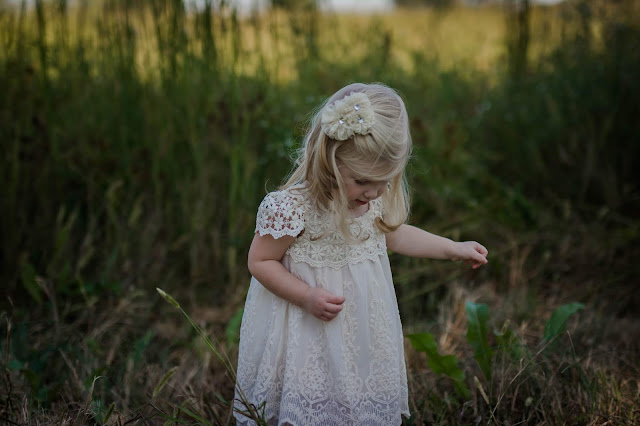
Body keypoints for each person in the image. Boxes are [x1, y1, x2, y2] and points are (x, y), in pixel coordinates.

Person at [233, 83, 488, 425]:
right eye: (363, 181)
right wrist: (305, 295)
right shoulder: (292, 208)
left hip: (360, 330)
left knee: (355, 399)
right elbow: (260, 261)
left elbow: (396, 236)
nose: (373, 192)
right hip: (307, 327)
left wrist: (452, 248)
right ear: (329, 158)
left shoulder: (371, 200)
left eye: (385, 181)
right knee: (312, 401)